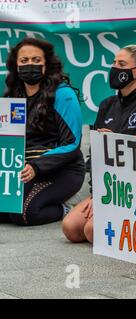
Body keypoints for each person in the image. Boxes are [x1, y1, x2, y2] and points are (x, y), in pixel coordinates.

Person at [62, 43, 136, 243]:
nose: (115, 68)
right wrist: (97, 195)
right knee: (70, 228)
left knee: (92, 231)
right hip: (109, 188)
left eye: (121, 63)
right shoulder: (107, 105)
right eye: (114, 63)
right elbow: (97, 158)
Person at [1, 38, 84, 226]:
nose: (30, 65)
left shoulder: (63, 94)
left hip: (62, 170)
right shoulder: (14, 95)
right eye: (24, 61)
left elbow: (72, 144)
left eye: (36, 60)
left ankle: (66, 207)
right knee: (6, 210)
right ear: (16, 65)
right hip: (23, 170)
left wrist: (37, 166)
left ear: (47, 65)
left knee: (24, 213)